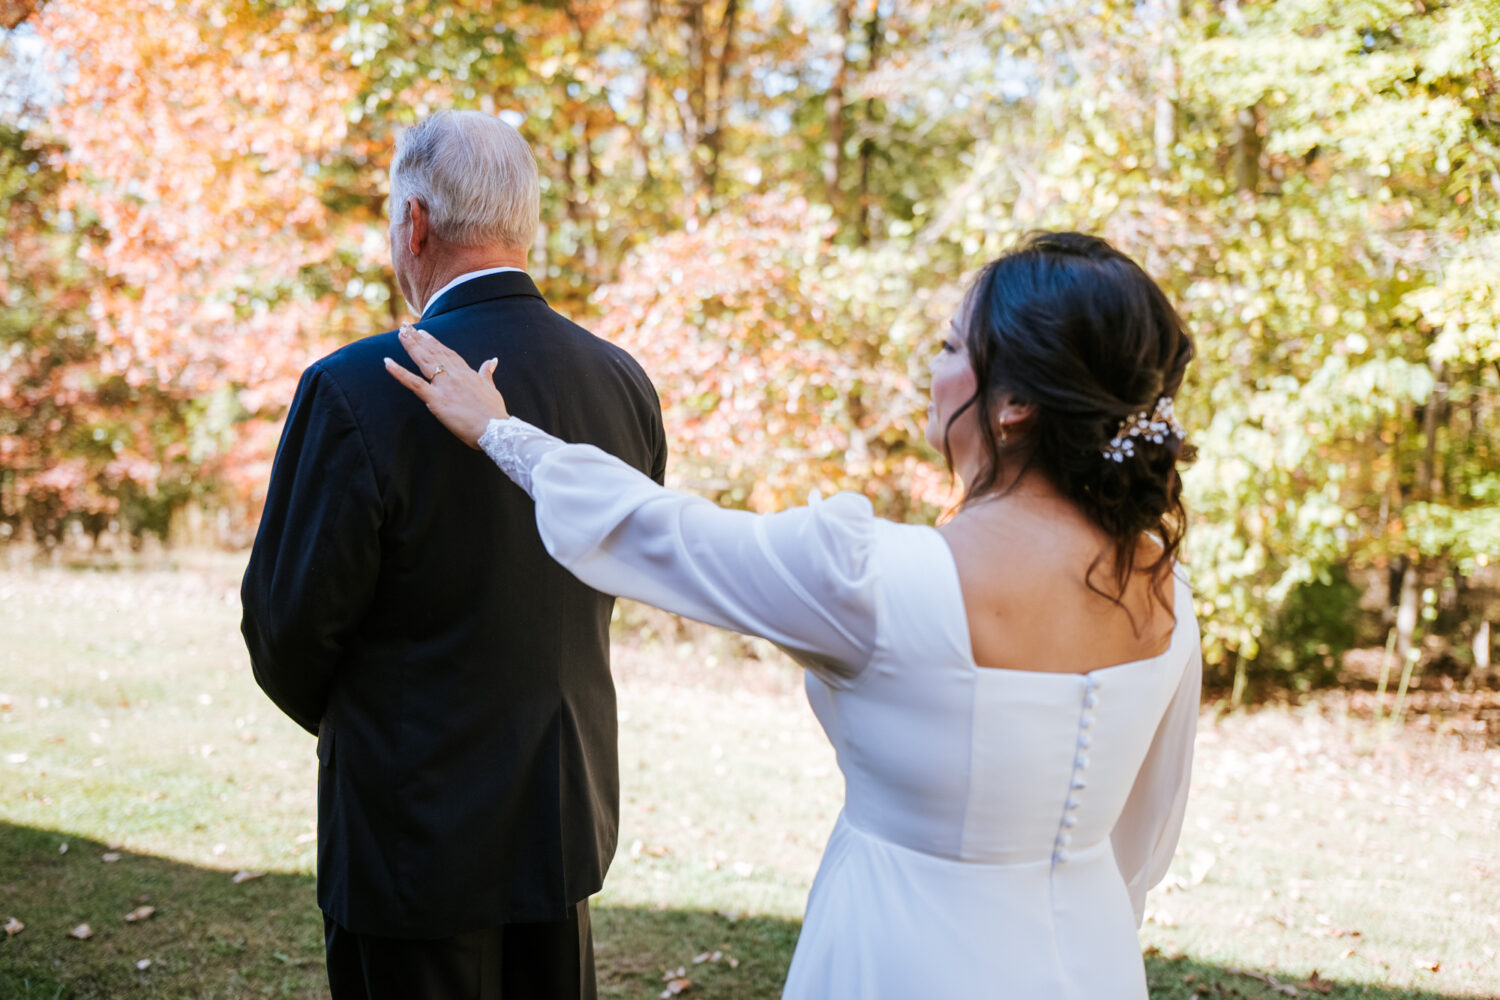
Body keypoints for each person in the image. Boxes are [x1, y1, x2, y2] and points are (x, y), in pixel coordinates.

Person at [385, 231, 1202, 999]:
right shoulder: (1169, 597)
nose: (935, 364)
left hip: (900, 954)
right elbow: (1147, 831)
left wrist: (501, 432)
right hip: (1093, 956)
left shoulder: (875, 579)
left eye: (953, 346)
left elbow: (664, 534)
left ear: (1015, 402)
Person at [241, 110, 666, 1000]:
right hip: (560, 817)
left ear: (417, 222)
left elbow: (286, 628)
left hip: (410, 835)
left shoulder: (352, 387)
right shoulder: (621, 381)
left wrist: (390, 732)